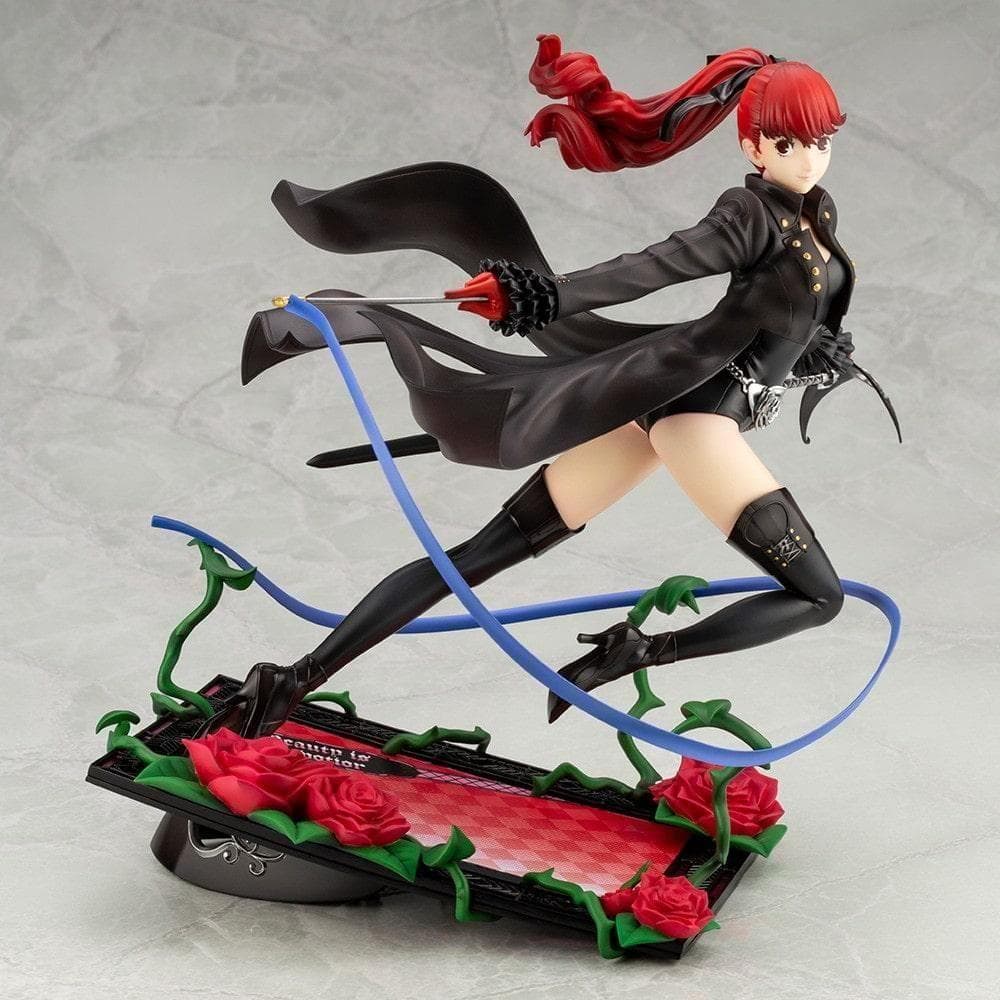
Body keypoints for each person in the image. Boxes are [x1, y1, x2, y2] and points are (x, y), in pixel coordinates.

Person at [203, 36, 879, 738]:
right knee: (819, 596)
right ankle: (640, 652)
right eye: (788, 143)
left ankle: (291, 679)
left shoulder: (814, 214)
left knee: (477, 557)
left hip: (671, 407)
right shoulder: (749, 217)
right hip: (699, 421)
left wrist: (813, 350)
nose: (808, 159)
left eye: (820, 141)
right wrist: (543, 295)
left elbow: (770, 316)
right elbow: (653, 267)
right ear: (753, 147)